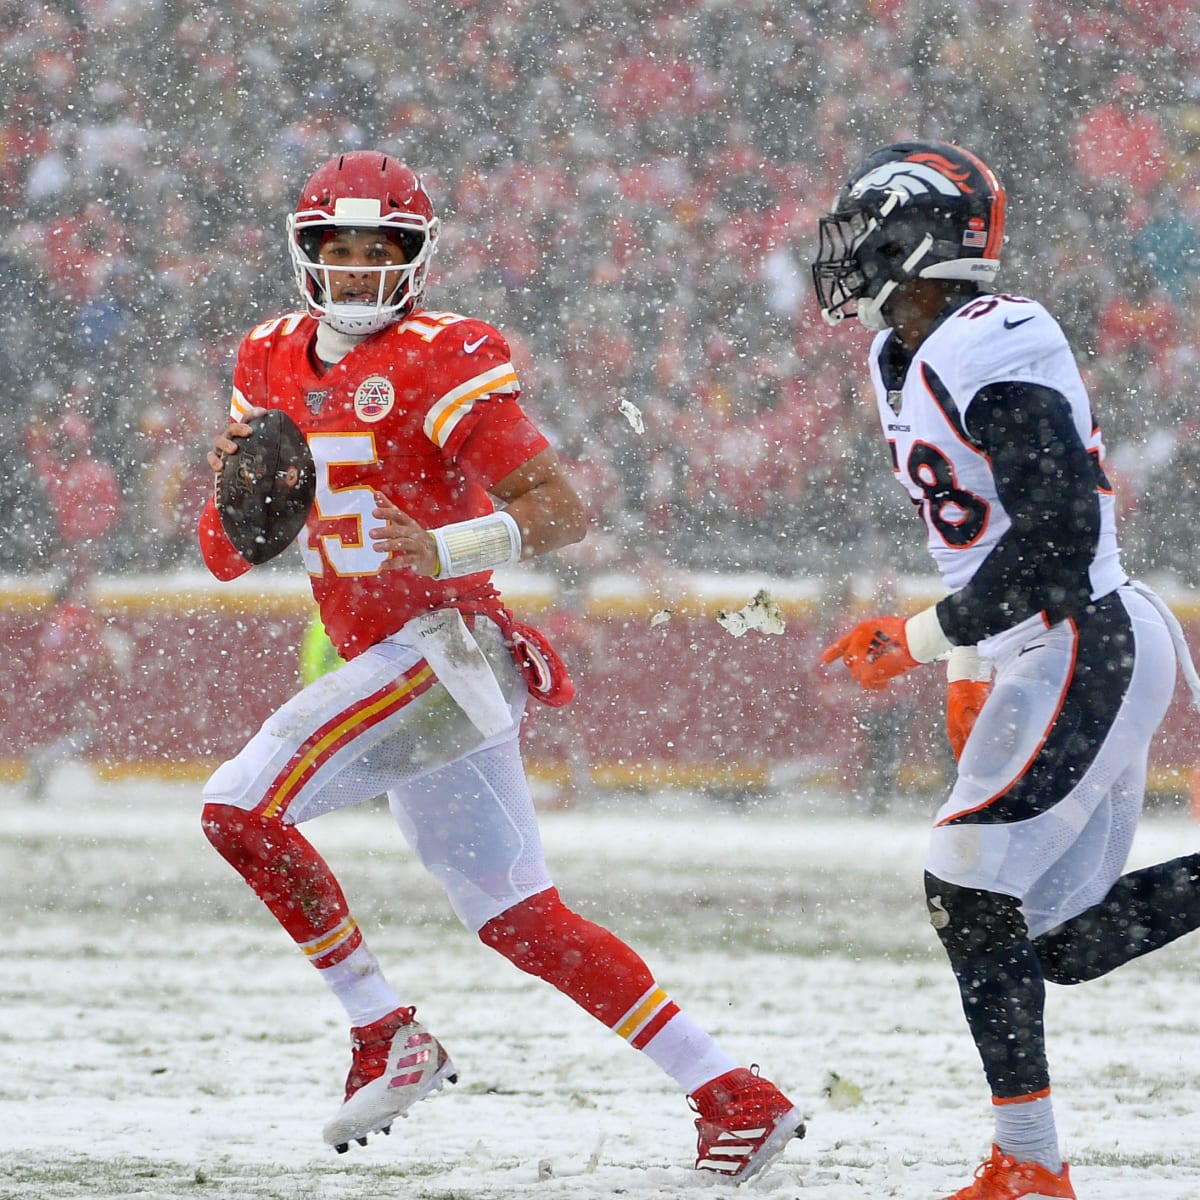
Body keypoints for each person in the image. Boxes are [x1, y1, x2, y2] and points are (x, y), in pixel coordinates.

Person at [196, 150, 804, 1180]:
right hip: (401, 665)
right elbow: (224, 554)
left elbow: (561, 513)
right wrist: (233, 499)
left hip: (445, 649)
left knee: (238, 809)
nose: (354, 269)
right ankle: (734, 1095)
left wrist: (445, 548)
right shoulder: (265, 358)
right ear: (306, 255)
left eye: (377, 248)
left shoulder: (444, 354)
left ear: (413, 258)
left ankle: (382, 1030)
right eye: (336, 248)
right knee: (522, 920)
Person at [813, 140, 1200, 1200]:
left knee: (967, 884)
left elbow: (1062, 541)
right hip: (1041, 642)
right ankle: (1028, 1166)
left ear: (917, 235)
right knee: (1060, 940)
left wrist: (928, 637)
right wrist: (964, 658)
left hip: (1084, 636)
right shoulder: (903, 351)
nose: (846, 254)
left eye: (864, 229)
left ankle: (1030, 1170)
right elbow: (982, 540)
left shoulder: (997, 336)